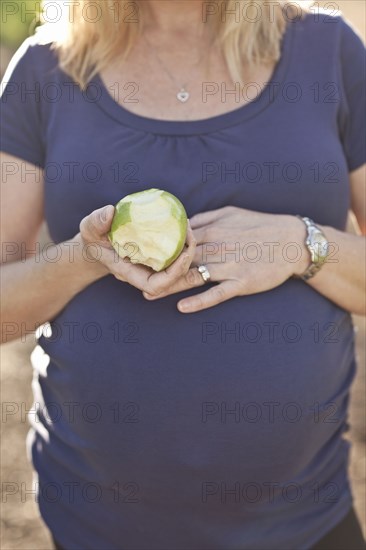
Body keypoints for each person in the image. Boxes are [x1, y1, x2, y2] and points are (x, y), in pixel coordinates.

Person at [1, 1, 365, 549]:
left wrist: (301, 245)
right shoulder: (44, 70)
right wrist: (84, 257)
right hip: (97, 524)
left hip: (302, 523)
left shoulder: (330, 52)